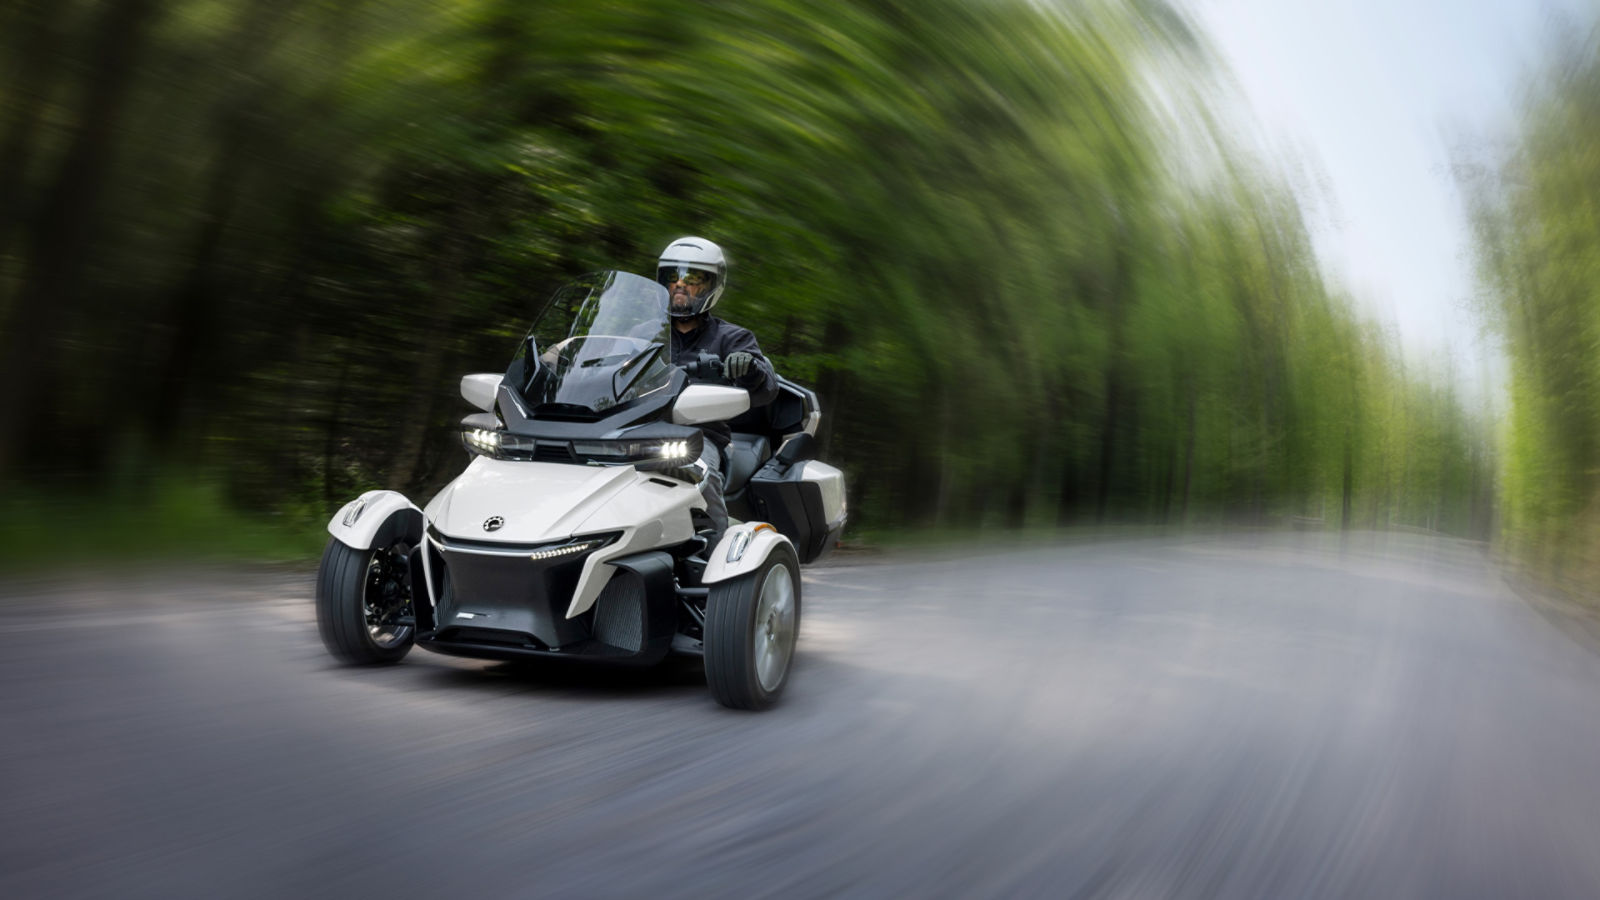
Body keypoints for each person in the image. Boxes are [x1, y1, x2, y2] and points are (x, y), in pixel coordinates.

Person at [655, 237, 778, 543]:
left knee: (694, 468)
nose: (680, 284)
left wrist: (750, 369)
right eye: (673, 277)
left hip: (699, 437)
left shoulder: (733, 338)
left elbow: (767, 389)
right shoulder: (646, 334)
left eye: (692, 278)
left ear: (710, 286)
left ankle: (716, 553)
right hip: (635, 431)